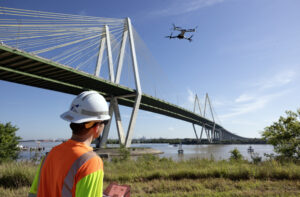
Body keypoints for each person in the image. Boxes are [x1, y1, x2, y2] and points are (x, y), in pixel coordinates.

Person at [28, 90, 110, 197]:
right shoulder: (91, 163)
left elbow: (34, 194)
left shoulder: (50, 154)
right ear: (96, 127)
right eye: (105, 122)